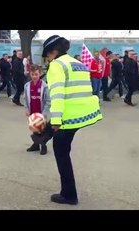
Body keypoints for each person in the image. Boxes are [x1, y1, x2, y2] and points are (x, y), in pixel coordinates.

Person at [42, 35, 103, 205]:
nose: (47, 58)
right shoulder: (77, 64)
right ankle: (68, 192)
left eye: (47, 55)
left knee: (61, 153)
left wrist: (55, 120)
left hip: (67, 117)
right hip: (82, 115)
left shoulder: (57, 65)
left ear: (53, 52)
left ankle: (69, 195)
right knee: (63, 150)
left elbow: (58, 94)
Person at [24, 64, 52, 155]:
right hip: (32, 112)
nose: (34, 76)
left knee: (42, 130)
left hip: (41, 112)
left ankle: (43, 146)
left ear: (40, 74)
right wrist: (26, 109)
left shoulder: (45, 86)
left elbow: (48, 101)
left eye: (36, 74)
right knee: (34, 128)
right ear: (30, 74)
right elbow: (25, 99)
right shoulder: (27, 86)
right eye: (32, 74)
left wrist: (44, 113)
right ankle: (36, 145)